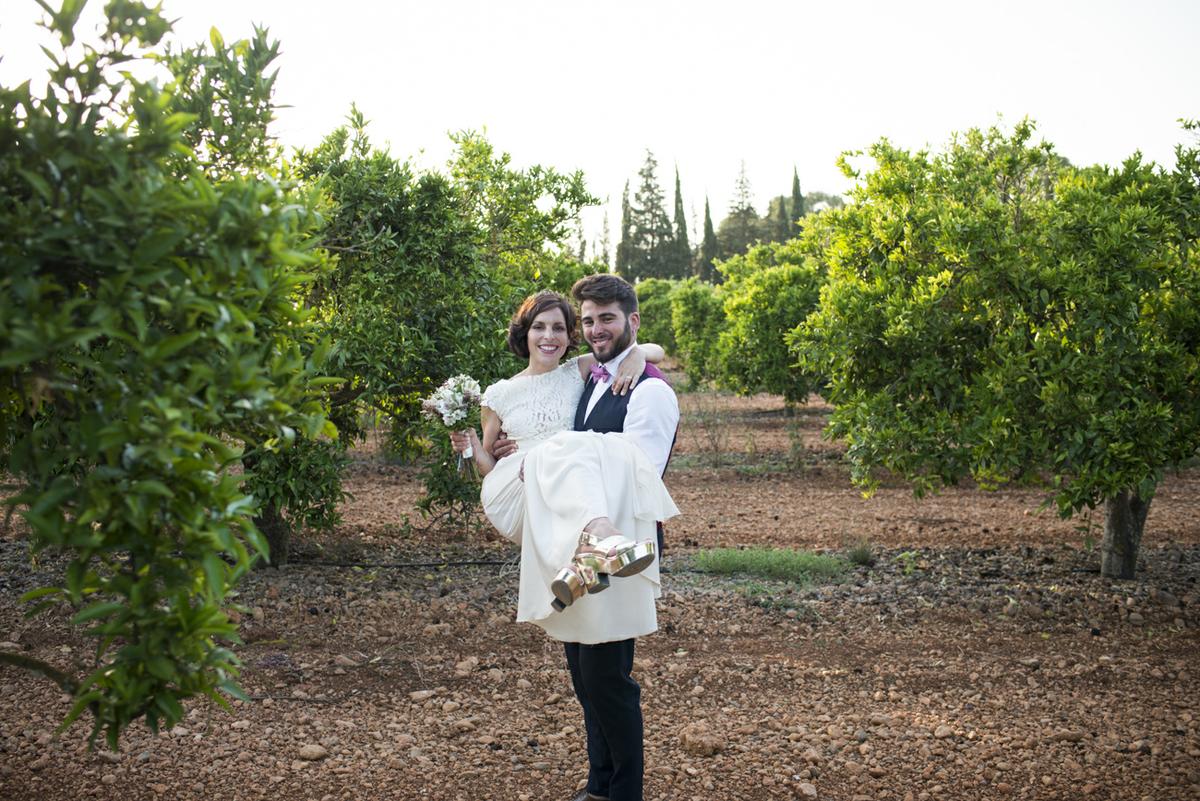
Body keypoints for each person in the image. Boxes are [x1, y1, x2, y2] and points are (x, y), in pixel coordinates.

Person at [489, 274, 679, 801]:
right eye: (589, 320)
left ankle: (625, 793)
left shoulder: (651, 392)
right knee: (582, 674)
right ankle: (598, 786)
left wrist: (554, 453)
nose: (597, 329)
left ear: (632, 322)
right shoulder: (592, 379)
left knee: (609, 679)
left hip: (623, 550)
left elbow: (640, 472)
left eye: (608, 319)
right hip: (575, 548)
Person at [450, 290, 679, 626]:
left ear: (569, 336)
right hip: (517, 486)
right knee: (565, 447)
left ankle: (582, 567)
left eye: (558, 328)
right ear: (524, 333)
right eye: (539, 327)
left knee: (569, 448)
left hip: (571, 484)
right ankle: (602, 537)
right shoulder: (499, 393)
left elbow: (651, 350)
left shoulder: (580, 369)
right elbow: (489, 468)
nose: (548, 336)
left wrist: (636, 356)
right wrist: (470, 446)